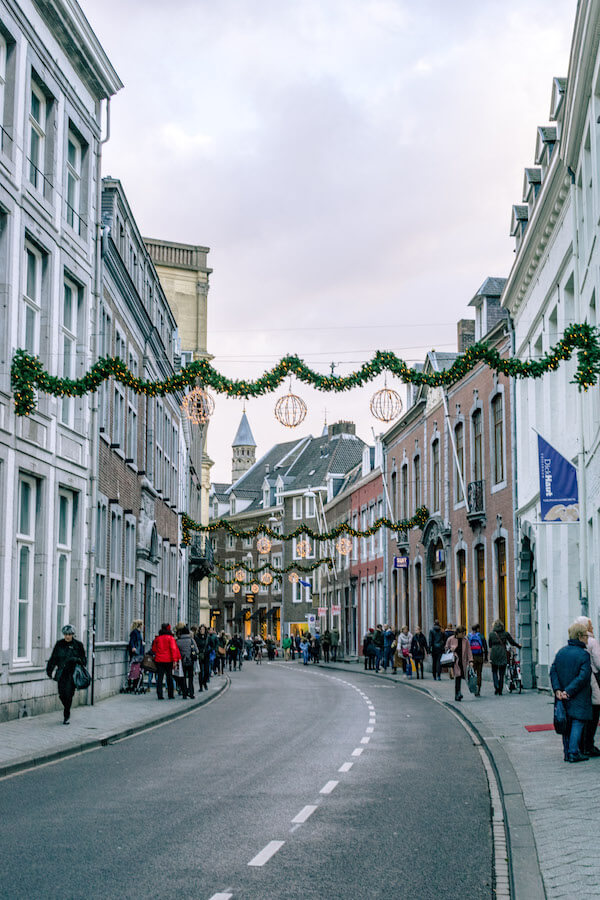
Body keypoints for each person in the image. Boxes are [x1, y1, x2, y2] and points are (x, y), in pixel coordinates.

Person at [550, 621, 592, 763]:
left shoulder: (561, 652)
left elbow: (553, 671)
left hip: (562, 695)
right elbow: (584, 676)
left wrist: (558, 690)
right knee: (577, 722)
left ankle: (567, 752)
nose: (588, 638)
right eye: (586, 635)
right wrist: (568, 691)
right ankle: (574, 752)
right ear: (580, 636)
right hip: (578, 696)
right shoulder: (584, 655)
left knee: (565, 723)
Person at [46, 624, 87, 724]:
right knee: (61, 694)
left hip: (72, 674)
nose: (67, 636)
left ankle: (66, 713)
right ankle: (66, 707)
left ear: (73, 634)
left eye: (69, 634)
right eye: (65, 634)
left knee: (68, 694)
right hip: (61, 673)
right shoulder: (59, 644)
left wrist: (76, 659)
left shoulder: (78, 645)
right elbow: (53, 658)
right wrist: (49, 670)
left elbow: (84, 661)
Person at [575, 616, 600, 757]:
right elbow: (598, 662)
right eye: (590, 625)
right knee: (594, 712)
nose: (593, 628)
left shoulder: (576, 642)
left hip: (583, 681)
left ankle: (582, 744)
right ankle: (589, 744)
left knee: (584, 714)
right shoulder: (592, 641)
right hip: (594, 680)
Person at [488, 619, 520, 695]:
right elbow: (512, 642)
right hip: (503, 652)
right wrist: (518, 646)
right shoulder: (505, 633)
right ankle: (500, 689)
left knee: (494, 671)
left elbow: (489, 644)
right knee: (502, 672)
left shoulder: (491, 634)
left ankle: (496, 686)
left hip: (494, 653)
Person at [151, 623, 181, 700]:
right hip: (168, 660)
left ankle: (159, 694)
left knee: (160, 678)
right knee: (169, 677)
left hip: (159, 660)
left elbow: (154, 649)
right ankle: (170, 694)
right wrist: (175, 660)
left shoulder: (157, 638)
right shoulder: (170, 638)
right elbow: (173, 649)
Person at [445, 624, 473, 701]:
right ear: (459, 633)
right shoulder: (450, 639)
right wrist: (451, 649)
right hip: (454, 661)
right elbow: (446, 649)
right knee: (458, 677)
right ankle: (458, 694)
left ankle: (458, 693)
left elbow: (468, 651)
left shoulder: (465, 640)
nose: (464, 635)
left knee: (460, 676)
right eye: (463, 633)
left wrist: (470, 660)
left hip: (463, 661)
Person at [176, 625, 197, 699]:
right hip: (190, 661)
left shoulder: (178, 641)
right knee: (191, 678)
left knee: (183, 677)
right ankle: (191, 693)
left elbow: (176, 651)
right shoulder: (191, 640)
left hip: (182, 662)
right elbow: (196, 650)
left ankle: (184, 693)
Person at [468, 623, 488, 696]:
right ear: (478, 629)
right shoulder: (481, 636)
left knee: (473, 673)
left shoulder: (469, 636)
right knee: (479, 673)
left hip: (471, 657)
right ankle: (478, 689)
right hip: (479, 657)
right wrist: (485, 657)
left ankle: (473, 688)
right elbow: (485, 647)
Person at [195, 623, 210, 692]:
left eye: (203, 629)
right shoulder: (197, 637)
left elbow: (211, 645)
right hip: (200, 656)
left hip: (206, 655)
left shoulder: (207, 637)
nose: (202, 631)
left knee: (207, 671)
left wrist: (209, 650)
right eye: (201, 629)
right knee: (200, 672)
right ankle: (201, 686)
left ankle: (204, 682)